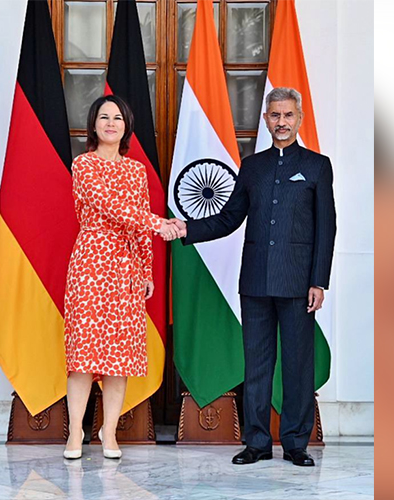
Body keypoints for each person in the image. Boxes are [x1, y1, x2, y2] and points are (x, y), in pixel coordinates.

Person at [171, 87, 336, 467]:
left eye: (288, 115)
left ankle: (295, 443)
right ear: (266, 119)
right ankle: (257, 443)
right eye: (275, 116)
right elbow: (230, 218)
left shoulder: (317, 165)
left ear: (299, 119)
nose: (281, 122)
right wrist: (187, 229)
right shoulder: (253, 166)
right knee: (257, 364)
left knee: (297, 365)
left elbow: (326, 228)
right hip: (256, 282)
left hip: (298, 284)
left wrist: (318, 281)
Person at [62, 95, 182, 460]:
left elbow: (138, 223)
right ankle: (75, 434)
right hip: (89, 263)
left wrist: (146, 271)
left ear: (126, 126)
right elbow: (112, 208)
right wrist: (160, 224)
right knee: (83, 356)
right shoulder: (82, 165)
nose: (111, 123)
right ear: (94, 125)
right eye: (104, 117)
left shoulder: (137, 172)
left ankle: (109, 432)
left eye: (118, 118)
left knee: (118, 355)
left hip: (125, 267)